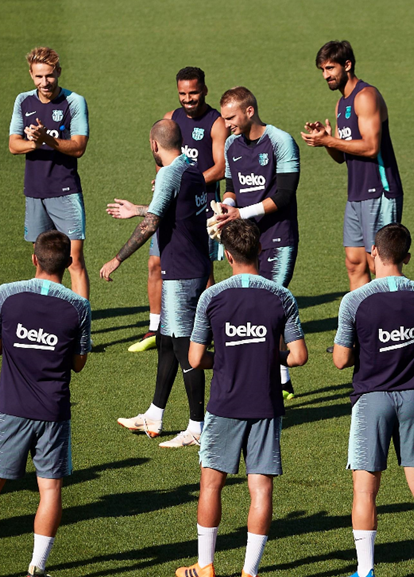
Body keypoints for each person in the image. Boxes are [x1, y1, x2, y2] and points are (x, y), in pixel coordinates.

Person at [175, 219, 307, 577]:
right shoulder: (281, 297)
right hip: (265, 406)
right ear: (260, 253)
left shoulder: (212, 298)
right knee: (261, 490)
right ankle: (250, 576)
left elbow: (197, 357)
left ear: (228, 256)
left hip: (224, 406)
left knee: (211, 485)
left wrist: (231, 356)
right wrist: (267, 354)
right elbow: (298, 356)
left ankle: (205, 567)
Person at [0, 231, 91, 577]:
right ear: (68, 264)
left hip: (10, 410)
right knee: (50, 491)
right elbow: (78, 364)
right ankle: (37, 569)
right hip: (54, 413)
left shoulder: (7, 294)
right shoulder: (78, 306)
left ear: (34, 258)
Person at [330, 224, 414, 577]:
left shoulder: (355, 300)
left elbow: (339, 360)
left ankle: (365, 573)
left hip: (372, 399)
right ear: (407, 257)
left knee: (365, 490)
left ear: (373, 253)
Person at [104, 120, 211, 448]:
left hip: (181, 273)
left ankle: (197, 427)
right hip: (190, 267)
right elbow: (169, 213)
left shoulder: (168, 174)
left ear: (154, 144)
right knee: (166, 341)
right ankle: (154, 415)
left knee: (184, 348)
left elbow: (152, 224)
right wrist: (137, 208)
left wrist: (117, 259)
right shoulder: (190, 168)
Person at [132, 67, 228, 353]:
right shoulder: (170, 118)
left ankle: (207, 327)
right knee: (155, 263)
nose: (188, 99)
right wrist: (164, 178)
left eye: (194, 93)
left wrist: (185, 179)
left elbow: (221, 167)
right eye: (183, 93)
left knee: (203, 270)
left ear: (205, 90)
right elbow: (160, 158)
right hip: (172, 204)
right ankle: (155, 327)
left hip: (201, 207)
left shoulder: (216, 122)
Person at [213, 87, 302, 399]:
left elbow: (285, 195)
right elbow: (232, 185)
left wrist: (241, 212)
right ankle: (281, 380)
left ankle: (272, 381)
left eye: (231, 118)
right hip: (245, 241)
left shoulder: (281, 141)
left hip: (277, 238)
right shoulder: (232, 144)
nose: (226, 125)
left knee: (269, 308)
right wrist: (226, 205)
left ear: (249, 111)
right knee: (253, 309)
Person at [302, 40, 403, 291]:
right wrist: (328, 142)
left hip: (379, 191)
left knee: (378, 263)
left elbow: (371, 147)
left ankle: (404, 318)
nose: (326, 75)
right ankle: (362, 324)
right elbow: (342, 157)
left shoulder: (366, 96)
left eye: (330, 68)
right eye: (322, 70)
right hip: (356, 194)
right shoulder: (341, 104)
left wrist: (331, 139)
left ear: (347, 65)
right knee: (354, 263)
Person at [9, 47, 91, 299]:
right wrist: (35, 142)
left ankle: (81, 330)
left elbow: (78, 147)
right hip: (35, 193)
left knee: (74, 261)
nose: (44, 82)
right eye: (38, 77)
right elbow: (13, 145)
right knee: (41, 262)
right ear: (31, 75)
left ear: (59, 72)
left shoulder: (73, 102)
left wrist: (46, 138)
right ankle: (43, 319)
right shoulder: (23, 101)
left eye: (50, 76)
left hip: (65, 192)